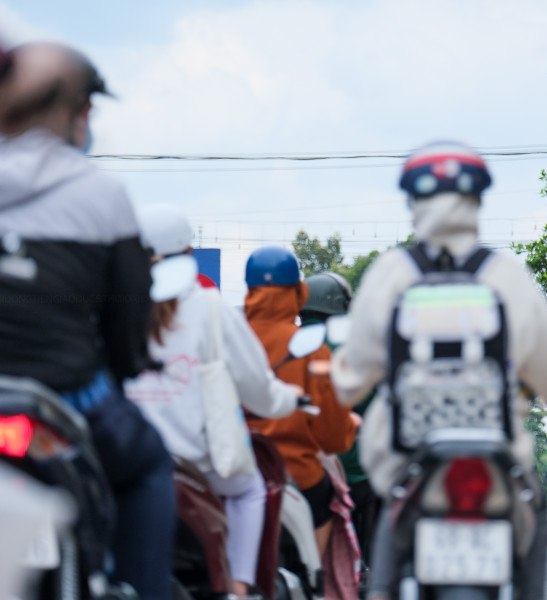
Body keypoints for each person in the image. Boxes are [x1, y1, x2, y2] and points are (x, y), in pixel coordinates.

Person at [330, 140, 547, 600]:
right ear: (476, 201)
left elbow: (348, 384)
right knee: (535, 507)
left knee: (388, 524)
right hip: (497, 467)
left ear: (413, 202)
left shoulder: (390, 274)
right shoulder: (507, 276)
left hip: (406, 464)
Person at [0, 42, 174, 600]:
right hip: (68, 401)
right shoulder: (101, 192)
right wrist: (127, 366)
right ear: (73, 110)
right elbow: (129, 319)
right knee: (149, 467)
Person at [125, 205, 304, 598]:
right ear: (188, 255)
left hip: (128, 457)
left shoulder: (116, 307)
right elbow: (259, 388)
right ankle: (236, 588)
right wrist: (287, 401)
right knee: (250, 488)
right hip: (196, 462)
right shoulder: (210, 307)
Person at [242, 248, 360, 560]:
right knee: (329, 497)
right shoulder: (313, 350)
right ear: (297, 291)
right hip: (295, 473)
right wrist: (349, 429)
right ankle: (315, 573)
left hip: (233, 470)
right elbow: (333, 437)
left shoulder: (230, 340)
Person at [302, 272, 381, 580]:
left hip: (298, 464)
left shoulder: (290, 340)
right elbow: (372, 401)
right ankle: (371, 564)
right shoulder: (353, 346)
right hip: (353, 471)